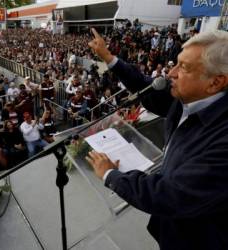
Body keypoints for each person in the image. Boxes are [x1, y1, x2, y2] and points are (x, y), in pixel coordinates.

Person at [87, 28, 228, 250]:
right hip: (172, 230)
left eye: (184, 67)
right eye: (176, 63)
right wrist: (108, 57)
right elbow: (146, 87)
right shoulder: (188, 97)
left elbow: (172, 194)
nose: (170, 73)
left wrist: (111, 175)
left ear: (215, 82)